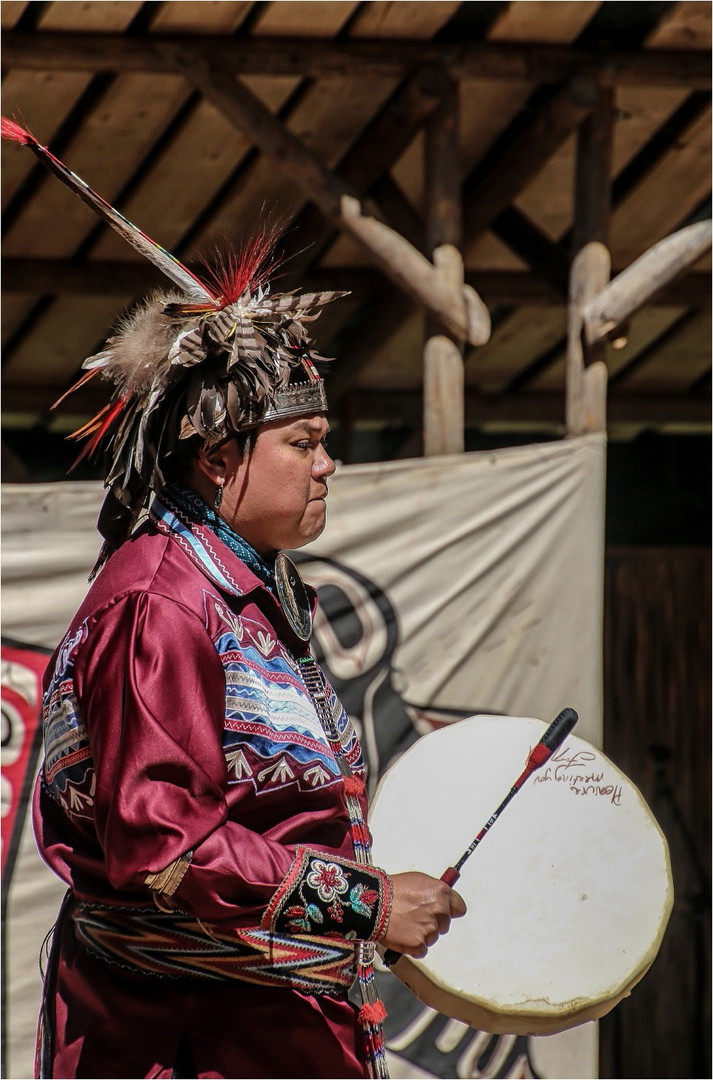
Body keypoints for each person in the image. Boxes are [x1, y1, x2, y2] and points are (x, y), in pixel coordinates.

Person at [6, 120, 467, 1080]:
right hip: (182, 1044)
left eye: (322, 441)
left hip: (264, 1028)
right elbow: (161, 844)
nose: (327, 464)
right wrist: (368, 906)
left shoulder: (247, 588)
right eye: (301, 444)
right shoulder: (162, 601)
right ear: (218, 459)